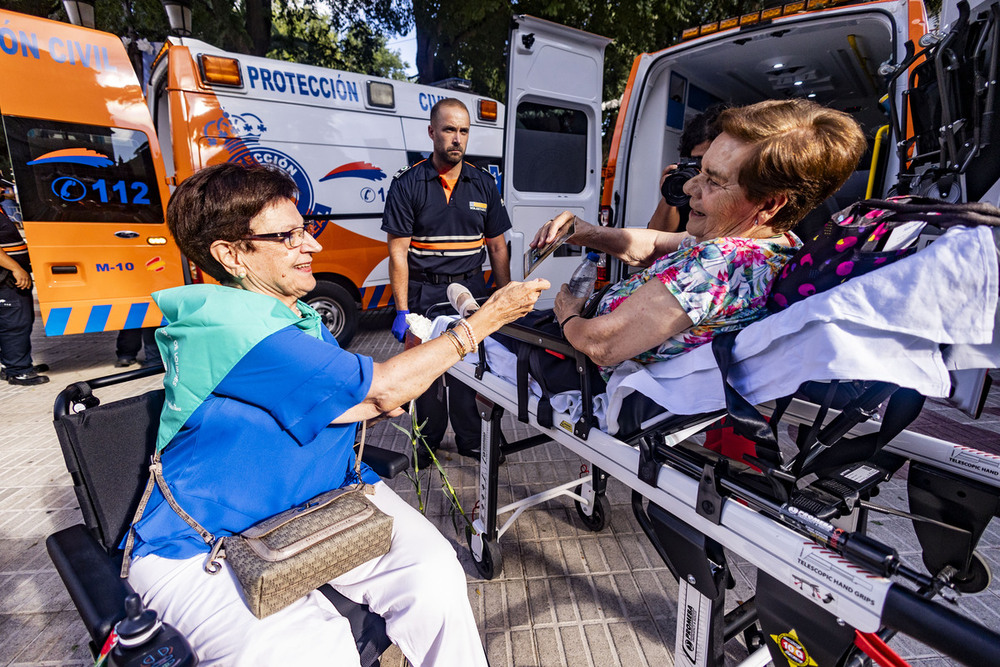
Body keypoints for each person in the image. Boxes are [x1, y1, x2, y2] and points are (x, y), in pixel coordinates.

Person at [125, 162, 547, 666]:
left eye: (305, 229)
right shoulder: (233, 328)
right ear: (231, 254)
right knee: (315, 645)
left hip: (317, 503)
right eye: (289, 235)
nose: (314, 246)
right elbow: (383, 392)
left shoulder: (290, 313)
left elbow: (342, 400)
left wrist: (365, 406)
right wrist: (487, 319)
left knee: (435, 573)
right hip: (205, 543)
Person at [530, 99, 866, 382]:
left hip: (575, 364)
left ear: (767, 204)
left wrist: (569, 314)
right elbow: (654, 245)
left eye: (713, 181)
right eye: (699, 171)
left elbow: (600, 344)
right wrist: (586, 231)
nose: (690, 188)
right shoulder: (775, 243)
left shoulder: (717, 265)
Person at [381, 98, 512, 465]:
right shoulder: (409, 184)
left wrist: (503, 300)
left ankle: (473, 440)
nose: (457, 138)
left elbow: (498, 248)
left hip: (472, 290)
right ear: (432, 132)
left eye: (464, 131)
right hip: (426, 292)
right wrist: (403, 310)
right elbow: (398, 254)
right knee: (427, 374)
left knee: (472, 368)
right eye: (450, 129)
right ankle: (426, 443)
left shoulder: (484, 184)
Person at [647, 105, 726, 232]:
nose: (703, 171)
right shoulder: (688, 184)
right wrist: (670, 195)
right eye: (697, 161)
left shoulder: (735, 190)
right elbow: (656, 237)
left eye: (710, 161)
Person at [0, 184, 48, 386]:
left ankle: (15, 364)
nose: (2, 189)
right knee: (15, 323)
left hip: (9, 276)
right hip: (6, 277)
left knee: (18, 321)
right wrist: (16, 268)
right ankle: (19, 370)